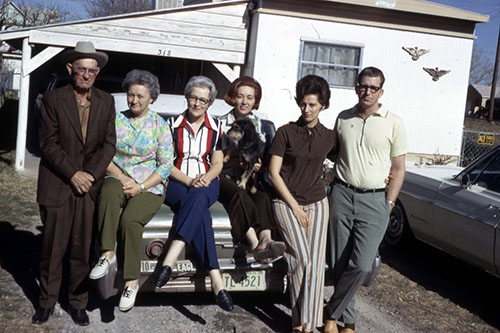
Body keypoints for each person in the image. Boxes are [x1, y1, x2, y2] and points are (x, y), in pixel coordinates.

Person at [32, 41, 116, 326]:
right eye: (81, 69)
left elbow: (109, 145)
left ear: (97, 72)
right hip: (58, 185)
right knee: (52, 249)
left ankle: (78, 303)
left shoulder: (107, 101)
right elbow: (48, 143)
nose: (86, 75)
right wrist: (73, 174)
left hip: (89, 188)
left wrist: (90, 174)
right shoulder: (53, 100)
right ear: (70, 69)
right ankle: (46, 302)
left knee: (81, 250)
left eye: (92, 71)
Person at [324, 67, 407, 333]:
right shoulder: (343, 117)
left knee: (361, 265)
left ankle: (330, 311)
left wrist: (390, 202)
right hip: (341, 195)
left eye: (373, 88)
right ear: (356, 87)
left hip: (375, 201)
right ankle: (346, 323)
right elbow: (334, 153)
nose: (367, 92)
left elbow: (398, 169)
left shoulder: (394, 122)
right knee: (338, 262)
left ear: (381, 91)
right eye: (363, 86)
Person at [88, 69, 174, 312]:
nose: (134, 100)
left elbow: (166, 165)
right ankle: (106, 254)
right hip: (118, 176)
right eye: (131, 95)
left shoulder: (160, 125)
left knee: (130, 220)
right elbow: (103, 155)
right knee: (108, 191)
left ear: (152, 98)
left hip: (150, 185)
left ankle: (131, 282)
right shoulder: (116, 120)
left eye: (140, 96)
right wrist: (123, 177)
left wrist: (141, 186)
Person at [154, 76, 233, 311]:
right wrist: (190, 180)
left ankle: (169, 259)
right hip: (178, 181)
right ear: (187, 98)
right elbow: (166, 163)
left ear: (210, 103)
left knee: (199, 196)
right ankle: (217, 282)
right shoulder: (171, 125)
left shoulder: (217, 127)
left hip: (208, 181)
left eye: (203, 100)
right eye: (193, 98)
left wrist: (205, 178)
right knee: (202, 215)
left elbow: (217, 163)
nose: (197, 103)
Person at [268, 75, 336, 333]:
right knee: (301, 259)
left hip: (318, 203)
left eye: (312, 105)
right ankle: (304, 321)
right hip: (286, 202)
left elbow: (349, 160)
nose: (306, 110)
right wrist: (295, 208)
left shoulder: (329, 137)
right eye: (303, 104)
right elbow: (274, 174)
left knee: (315, 265)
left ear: (323, 106)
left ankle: (303, 324)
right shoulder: (285, 132)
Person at [218, 76, 285, 262]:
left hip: (251, 177)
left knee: (262, 196)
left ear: (255, 101)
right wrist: (234, 162)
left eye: (249, 97)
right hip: (225, 177)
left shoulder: (263, 126)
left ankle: (267, 240)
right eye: (240, 96)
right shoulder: (220, 123)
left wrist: (260, 165)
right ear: (233, 97)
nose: (244, 102)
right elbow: (214, 160)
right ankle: (256, 246)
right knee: (239, 193)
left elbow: (269, 160)